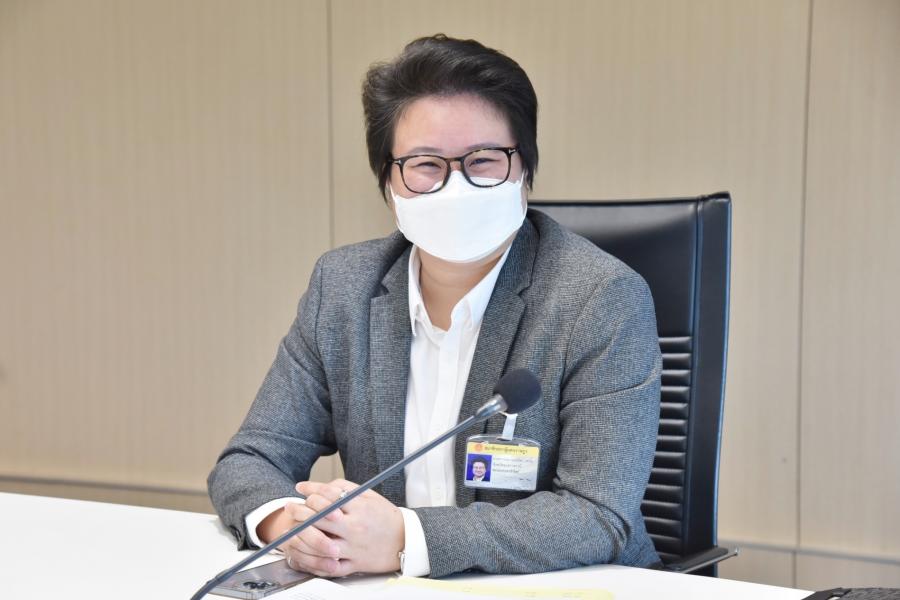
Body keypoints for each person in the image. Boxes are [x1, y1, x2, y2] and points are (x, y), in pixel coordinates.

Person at [208, 34, 662, 579]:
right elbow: (251, 459)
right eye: (425, 164)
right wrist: (295, 527)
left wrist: (407, 540)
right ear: (388, 180)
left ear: (525, 170)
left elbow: (596, 515)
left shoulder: (599, 298)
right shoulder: (344, 288)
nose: (455, 185)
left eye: (483, 160)